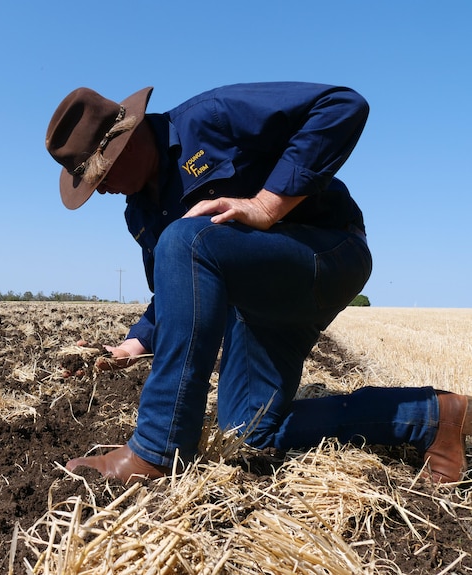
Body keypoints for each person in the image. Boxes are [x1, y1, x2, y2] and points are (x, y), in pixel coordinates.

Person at [45, 82, 471, 484]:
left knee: (184, 239)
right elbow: (176, 289)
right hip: (259, 302)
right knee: (248, 432)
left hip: (327, 252)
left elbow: (343, 106)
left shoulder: (209, 118)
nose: (101, 192)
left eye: (100, 177)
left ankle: (156, 450)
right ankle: (434, 417)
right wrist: (133, 344)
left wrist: (267, 204)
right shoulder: (138, 212)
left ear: (123, 144)